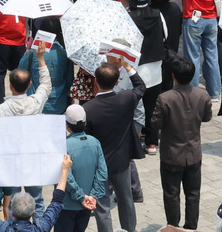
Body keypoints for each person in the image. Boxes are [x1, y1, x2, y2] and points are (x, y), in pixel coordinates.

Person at [148, 54, 212, 230]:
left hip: (171, 155)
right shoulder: (203, 95)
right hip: (193, 153)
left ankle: (173, 227)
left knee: (171, 194)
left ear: (173, 76)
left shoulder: (165, 98)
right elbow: (207, 117)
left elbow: (155, 124)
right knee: (193, 195)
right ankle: (191, 227)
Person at [81, 56, 144, 232]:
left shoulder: (88, 109)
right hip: (122, 161)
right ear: (117, 82)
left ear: (96, 81)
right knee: (126, 200)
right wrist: (127, 66)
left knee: (102, 206)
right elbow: (141, 86)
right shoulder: (125, 99)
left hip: (99, 165)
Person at [0, 154, 73, 232]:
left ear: (13, 213)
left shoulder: (2, 229)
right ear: (33, 213)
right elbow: (56, 202)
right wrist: (65, 171)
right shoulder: (42, 228)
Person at [56, 104, 105, 232]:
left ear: (67, 125)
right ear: (85, 122)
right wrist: (92, 196)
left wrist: (80, 196)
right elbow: (102, 173)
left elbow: (67, 176)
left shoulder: (64, 146)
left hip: (67, 204)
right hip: (87, 204)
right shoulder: (95, 142)